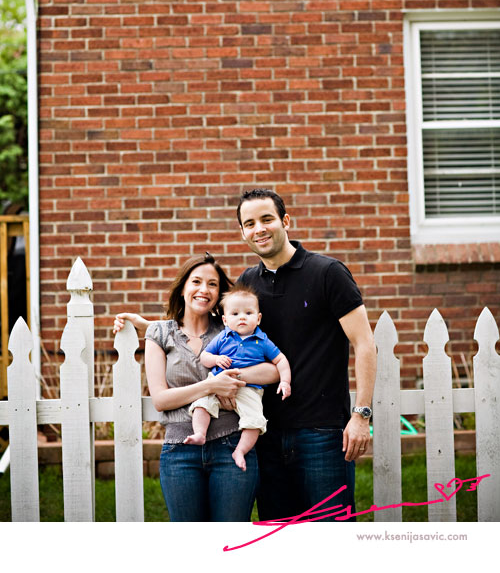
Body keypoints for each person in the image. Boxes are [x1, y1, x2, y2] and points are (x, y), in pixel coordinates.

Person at [235, 188, 377, 522]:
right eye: (250, 223)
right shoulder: (247, 283)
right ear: (242, 232)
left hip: (322, 433)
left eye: (267, 219)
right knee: (279, 534)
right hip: (266, 434)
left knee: (331, 534)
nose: (259, 229)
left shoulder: (328, 273)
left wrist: (361, 415)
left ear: (285, 221)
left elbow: (365, 344)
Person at [113, 252, 279, 522]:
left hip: (231, 445)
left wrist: (233, 379)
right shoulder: (160, 333)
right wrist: (212, 385)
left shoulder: (231, 329)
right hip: (180, 450)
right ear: (182, 288)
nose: (204, 290)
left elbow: (272, 371)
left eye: (212, 284)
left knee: (231, 535)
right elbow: (161, 400)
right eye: (196, 282)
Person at [185, 282, 292, 472]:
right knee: (201, 403)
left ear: (258, 318)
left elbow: (281, 360)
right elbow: (204, 357)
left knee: (255, 420)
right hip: (217, 383)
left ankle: (240, 451)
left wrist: (285, 381)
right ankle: (200, 433)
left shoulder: (262, 340)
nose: (242, 317)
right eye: (235, 314)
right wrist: (216, 359)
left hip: (249, 388)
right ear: (225, 320)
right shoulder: (223, 337)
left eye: (248, 313)